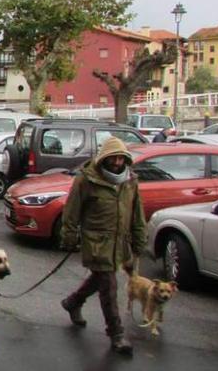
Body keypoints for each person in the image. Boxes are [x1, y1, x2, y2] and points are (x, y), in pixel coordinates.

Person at [59, 137, 146, 356]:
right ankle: (116, 333)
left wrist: (139, 239)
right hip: (96, 242)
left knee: (99, 279)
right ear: (103, 158)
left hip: (120, 242)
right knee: (108, 285)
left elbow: (137, 213)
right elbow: (71, 210)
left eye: (121, 158)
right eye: (113, 158)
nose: (117, 162)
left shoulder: (130, 181)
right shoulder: (86, 180)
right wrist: (69, 236)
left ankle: (72, 302)